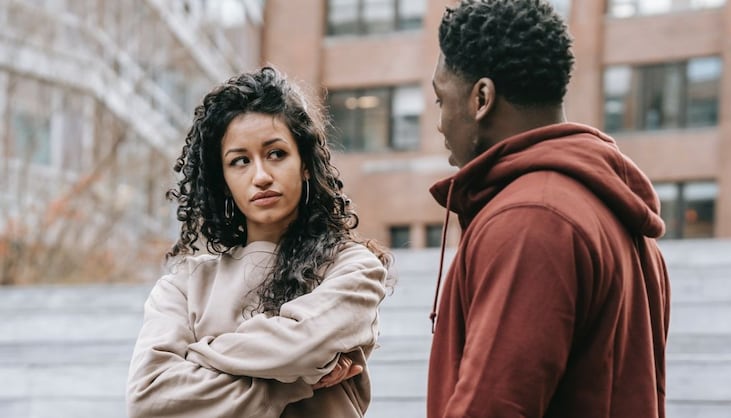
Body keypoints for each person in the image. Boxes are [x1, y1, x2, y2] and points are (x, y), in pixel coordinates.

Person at [426, 1, 670, 417]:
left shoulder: (532, 219)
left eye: (439, 100)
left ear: (481, 97)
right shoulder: (608, 212)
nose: (439, 122)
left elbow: (494, 406)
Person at [126, 66, 393, 418]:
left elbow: (301, 346)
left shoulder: (353, 269)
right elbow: (149, 399)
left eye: (276, 154)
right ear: (222, 180)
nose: (262, 176)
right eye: (240, 161)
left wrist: (200, 355)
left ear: (305, 164)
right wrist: (293, 382)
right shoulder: (183, 286)